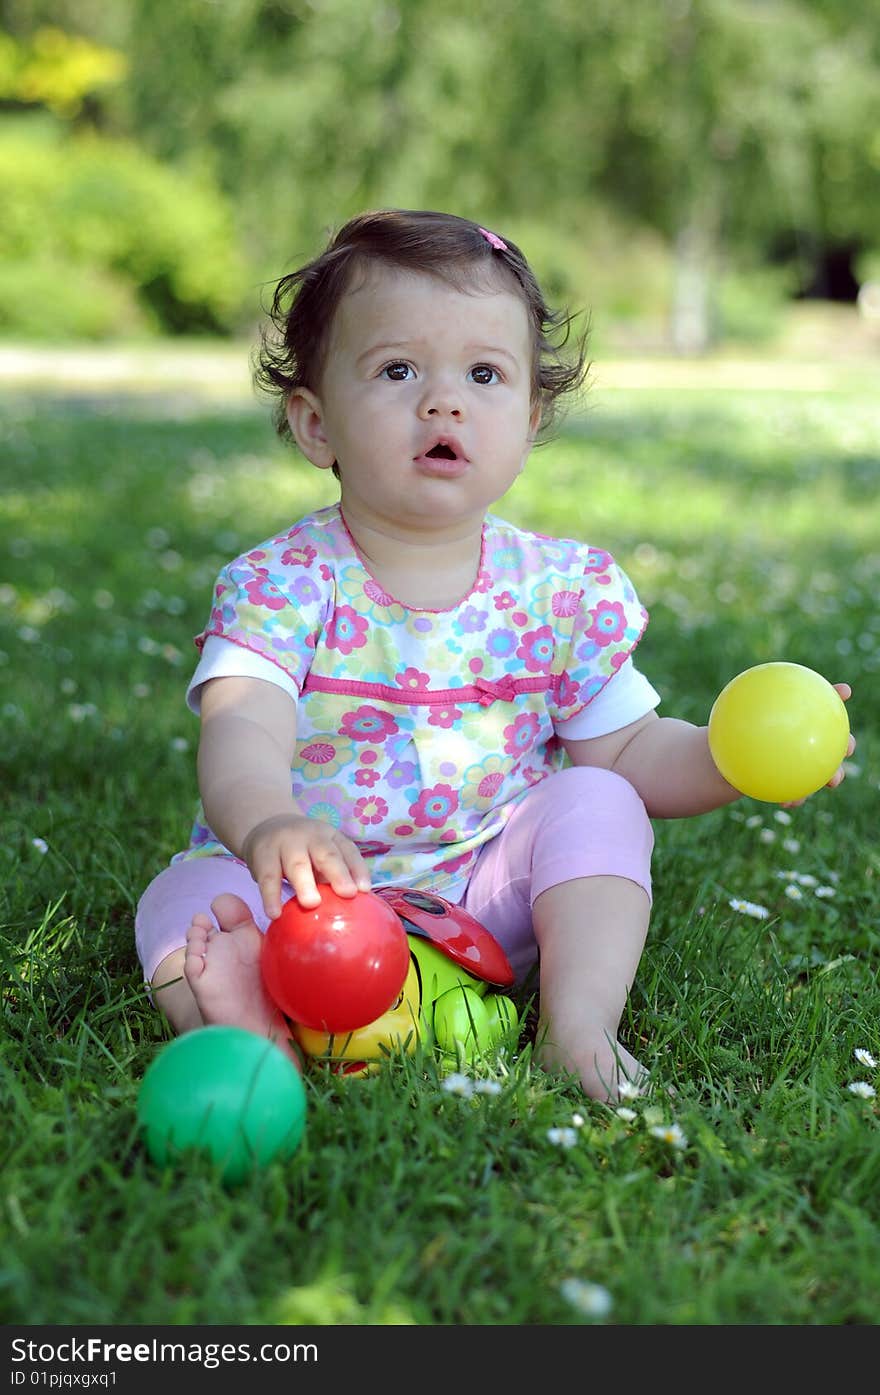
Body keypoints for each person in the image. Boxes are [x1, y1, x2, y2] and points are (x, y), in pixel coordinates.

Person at [134, 209, 854, 1102]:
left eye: (484, 374)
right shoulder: (283, 582)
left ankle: (580, 1024)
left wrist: (730, 757)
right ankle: (255, 1024)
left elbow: (627, 752)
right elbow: (242, 730)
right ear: (316, 424)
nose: (444, 401)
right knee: (187, 899)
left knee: (598, 797)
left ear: (529, 416)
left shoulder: (560, 590)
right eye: (398, 370)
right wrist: (269, 825)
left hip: (480, 900)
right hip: (303, 898)